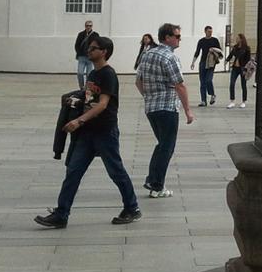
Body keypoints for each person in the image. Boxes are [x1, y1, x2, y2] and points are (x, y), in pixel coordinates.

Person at [34, 35, 141, 227]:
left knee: (116, 171)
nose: (89, 51)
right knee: (73, 171)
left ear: (104, 52)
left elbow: (102, 104)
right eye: (89, 48)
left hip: (104, 132)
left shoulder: (108, 74)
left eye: (93, 48)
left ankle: (132, 208)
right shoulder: (92, 74)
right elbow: (89, 98)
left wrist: (78, 120)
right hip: (87, 132)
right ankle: (61, 214)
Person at [135, 23, 194, 198]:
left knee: (162, 144)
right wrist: (188, 111)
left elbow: (138, 81)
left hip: (151, 108)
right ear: (167, 37)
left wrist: (149, 96)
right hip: (167, 107)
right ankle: (157, 185)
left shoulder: (147, 54)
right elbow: (180, 85)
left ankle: (152, 180)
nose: (179, 40)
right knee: (167, 146)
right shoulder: (170, 58)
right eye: (177, 36)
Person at [191, 25, 222, 106]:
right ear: (205, 31)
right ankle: (203, 100)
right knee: (202, 82)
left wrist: (213, 49)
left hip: (211, 63)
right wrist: (193, 62)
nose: (210, 33)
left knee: (208, 80)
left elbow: (220, 50)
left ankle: (212, 94)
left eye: (211, 32)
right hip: (202, 62)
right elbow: (197, 52)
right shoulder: (201, 41)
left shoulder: (215, 40)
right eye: (208, 31)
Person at [226, 34, 252, 108]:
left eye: (237, 38)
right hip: (235, 68)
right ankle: (232, 101)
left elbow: (248, 60)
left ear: (241, 39)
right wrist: (227, 60)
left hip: (242, 68)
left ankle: (244, 101)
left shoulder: (247, 48)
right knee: (232, 83)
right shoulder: (235, 47)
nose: (236, 39)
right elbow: (231, 55)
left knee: (243, 85)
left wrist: (245, 69)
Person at [74, 20, 99, 90]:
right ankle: (81, 87)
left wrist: (94, 55)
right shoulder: (81, 34)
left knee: (89, 75)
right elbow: (77, 45)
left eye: (90, 26)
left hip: (90, 58)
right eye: (87, 26)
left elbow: (97, 45)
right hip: (82, 57)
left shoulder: (95, 35)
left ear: (92, 26)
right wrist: (79, 52)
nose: (88, 27)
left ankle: (87, 88)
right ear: (85, 26)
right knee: (80, 73)